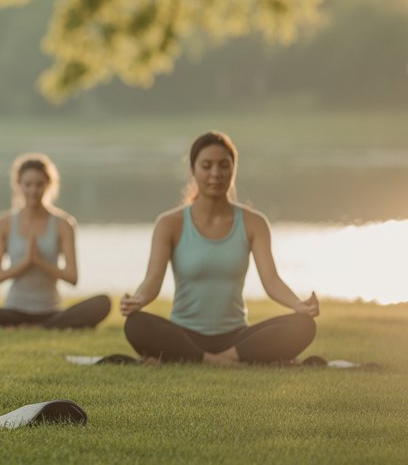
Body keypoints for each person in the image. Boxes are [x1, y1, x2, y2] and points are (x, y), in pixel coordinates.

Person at [118, 131, 319, 365]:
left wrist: (298, 305)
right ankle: (219, 360)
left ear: (234, 169)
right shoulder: (169, 223)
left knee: (303, 325)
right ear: (193, 170)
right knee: (136, 324)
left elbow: (271, 280)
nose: (216, 173)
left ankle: (215, 358)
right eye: (207, 165)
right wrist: (138, 300)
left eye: (224, 165)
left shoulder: (254, 222)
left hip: (236, 337)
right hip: (183, 335)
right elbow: (152, 280)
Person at [0, 154, 110, 330]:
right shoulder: (2, 224)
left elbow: (72, 277)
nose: (33, 191)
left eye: (39, 184)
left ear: (49, 185)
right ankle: (29, 325)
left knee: (102, 303)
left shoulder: (64, 224)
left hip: (51, 310)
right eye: (28, 184)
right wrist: (25, 263)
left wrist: (39, 262)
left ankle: (39, 326)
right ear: (18, 185)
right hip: (12, 309)